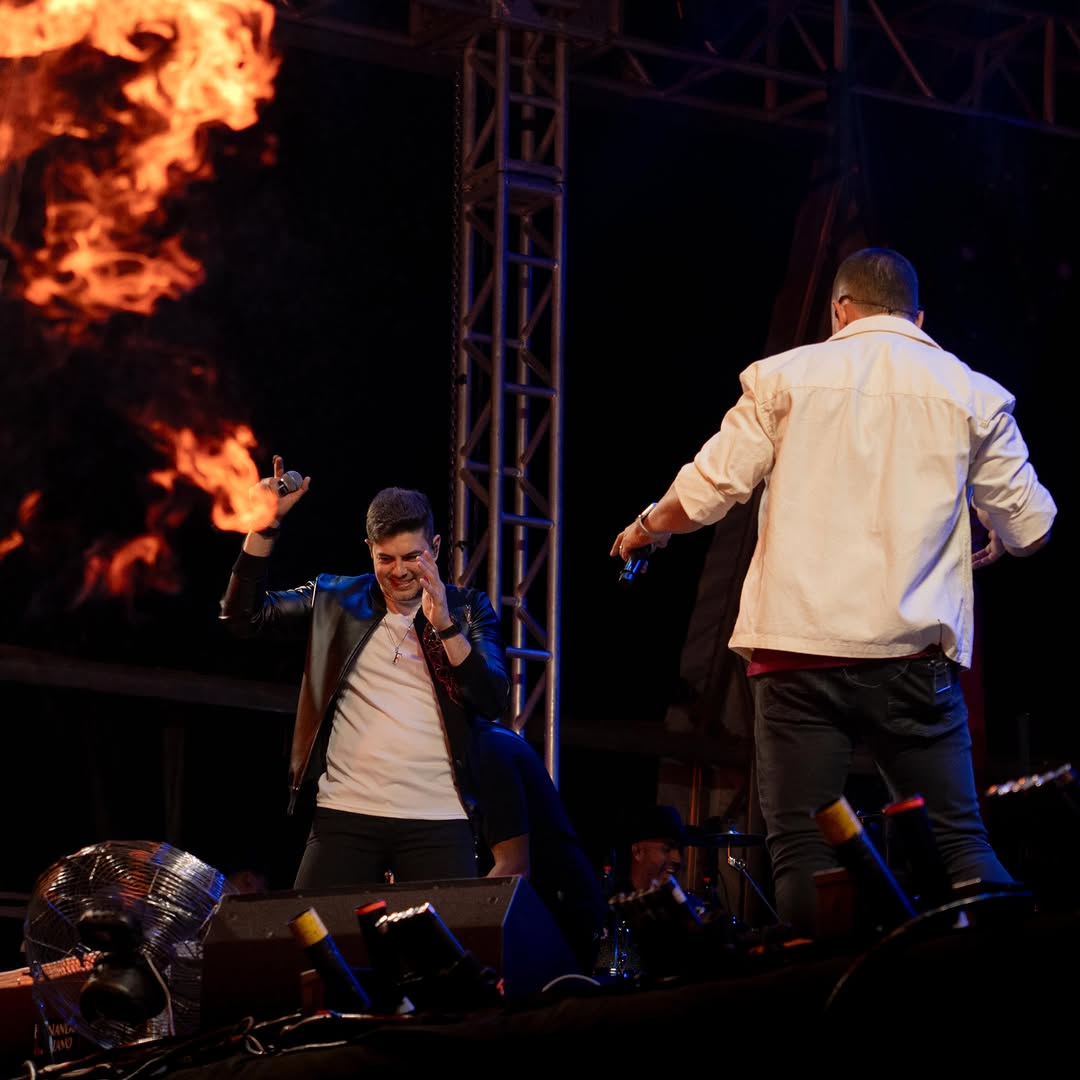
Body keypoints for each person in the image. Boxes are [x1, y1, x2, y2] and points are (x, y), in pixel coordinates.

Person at [610, 247, 1057, 939]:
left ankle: (820, 992)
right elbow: (1031, 527)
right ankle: (1007, 968)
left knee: (803, 848)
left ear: (838, 311)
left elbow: (708, 488)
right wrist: (995, 525)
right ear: (918, 318)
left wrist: (646, 528)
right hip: (913, 659)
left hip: (797, 656)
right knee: (959, 840)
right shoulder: (972, 392)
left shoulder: (782, 379)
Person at [219, 459, 511, 888]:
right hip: (346, 815)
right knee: (310, 928)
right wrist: (264, 528)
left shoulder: (468, 609)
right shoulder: (336, 598)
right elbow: (242, 618)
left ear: (435, 547)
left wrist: (445, 626)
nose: (400, 571)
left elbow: (492, 699)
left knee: (442, 934)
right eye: (385, 558)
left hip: (437, 817)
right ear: (369, 549)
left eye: (413, 557)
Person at [466, 723, 609, 975]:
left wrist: (459, 934)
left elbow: (513, 868)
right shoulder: (490, 744)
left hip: (560, 914)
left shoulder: (490, 747)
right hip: (547, 910)